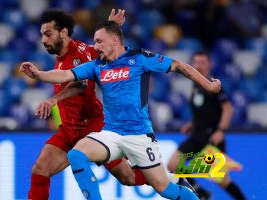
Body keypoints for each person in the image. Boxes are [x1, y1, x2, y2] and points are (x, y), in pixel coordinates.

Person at [20, 21, 222, 200]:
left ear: (114, 41)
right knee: (76, 155)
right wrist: (38, 74)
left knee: (165, 189)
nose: (95, 46)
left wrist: (208, 85)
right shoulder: (97, 66)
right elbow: (65, 75)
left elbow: (178, 65)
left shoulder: (140, 59)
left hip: (139, 136)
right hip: (112, 134)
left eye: (99, 41)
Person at [26, 9, 154, 200]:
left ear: (63, 33)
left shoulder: (77, 55)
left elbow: (81, 85)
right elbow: (102, 51)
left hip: (93, 128)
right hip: (69, 130)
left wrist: (53, 100)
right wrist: (112, 26)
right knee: (40, 169)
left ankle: (171, 180)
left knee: (127, 177)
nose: (43, 40)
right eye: (42, 35)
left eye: (48, 34)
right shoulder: (76, 53)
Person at [167, 51, 246, 200]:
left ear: (209, 64)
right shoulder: (195, 84)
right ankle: (201, 194)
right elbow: (205, 110)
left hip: (211, 138)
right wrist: (191, 124)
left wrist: (221, 130)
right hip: (196, 136)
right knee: (173, 165)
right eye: (196, 62)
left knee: (221, 180)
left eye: (202, 62)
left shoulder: (213, 84)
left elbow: (228, 108)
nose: (199, 65)